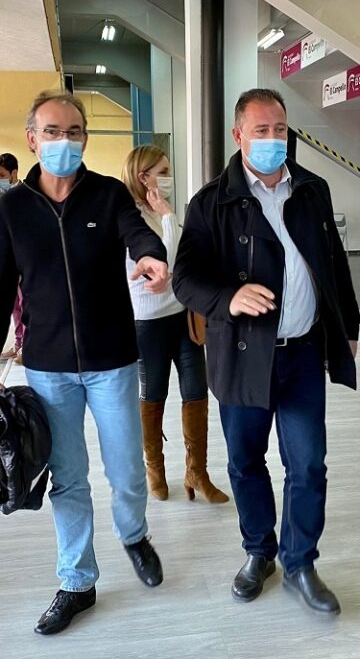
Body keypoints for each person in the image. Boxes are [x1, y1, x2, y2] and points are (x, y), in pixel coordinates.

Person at [0, 90, 169, 636]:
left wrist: (151, 255)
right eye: (53, 132)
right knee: (68, 477)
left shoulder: (107, 194)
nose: (65, 141)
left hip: (112, 360)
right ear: (32, 139)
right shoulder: (12, 209)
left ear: (85, 138)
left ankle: (134, 534)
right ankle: (77, 581)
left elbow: (137, 233)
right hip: (48, 367)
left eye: (74, 131)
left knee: (127, 470)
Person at [173, 88, 360, 615]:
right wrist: (229, 297)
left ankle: (301, 563)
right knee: (245, 461)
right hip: (242, 356)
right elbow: (185, 279)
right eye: (262, 130)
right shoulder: (211, 202)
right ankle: (260, 552)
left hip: (303, 354)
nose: (274, 139)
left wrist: (346, 327)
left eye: (280, 129)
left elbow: (334, 262)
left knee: (308, 464)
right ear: (239, 136)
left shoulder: (312, 189)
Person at [119, 145, 228, 505]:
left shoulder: (163, 211)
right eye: (162, 171)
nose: (169, 177)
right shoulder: (130, 219)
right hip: (147, 322)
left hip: (183, 316)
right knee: (153, 396)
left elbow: (181, 261)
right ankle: (155, 469)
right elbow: (161, 260)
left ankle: (197, 471)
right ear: (143, 176)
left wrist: (169, 220)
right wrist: (168, 218)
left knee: (196, 393)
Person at [0, 152, 24, 362]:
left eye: (2, 175)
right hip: (5, 257)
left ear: (14, 172)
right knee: (14, 304)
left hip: (25, 258)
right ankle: (18, 343)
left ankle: (28, 345)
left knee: (27, 302)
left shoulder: (29, 194)